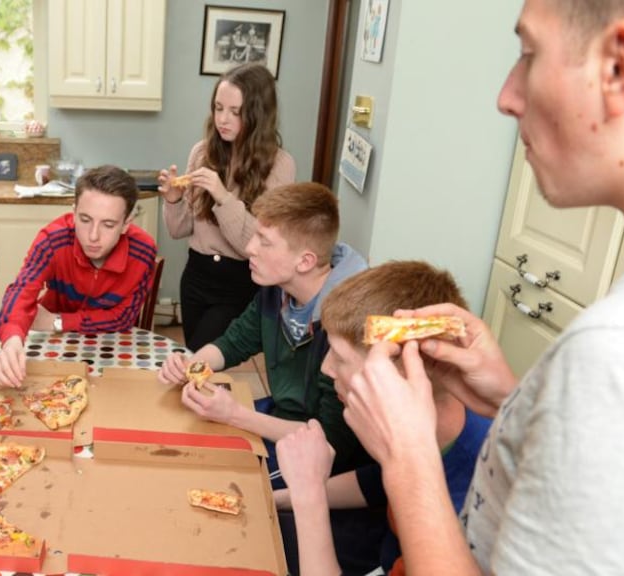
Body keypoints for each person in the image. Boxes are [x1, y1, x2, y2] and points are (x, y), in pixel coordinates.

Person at [338, 1, 624, 573]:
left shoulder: (618, 351)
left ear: (620, 66)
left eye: (528, 54)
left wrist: (407, 458)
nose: (507, 96)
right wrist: (509, 401)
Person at [157, 182, 381, 575]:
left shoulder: (344, 325)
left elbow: (330, 442)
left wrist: (235, 415)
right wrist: (193, 362)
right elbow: (234, 341)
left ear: (305, 261)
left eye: (265, 241)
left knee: (215, 501)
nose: (248, 249)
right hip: (283, 422)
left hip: (328, 461)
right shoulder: (274, 291)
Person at [275, 261, 492, 576]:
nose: (325, 369)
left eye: (340, 357)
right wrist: (281, 498)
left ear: (401, 372)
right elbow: (377, 481)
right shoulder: (448, 424)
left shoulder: (465, 509)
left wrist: (308, 493)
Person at [159, 62, 296, 352]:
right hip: (196, 276)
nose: (223, 119)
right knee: (201, 365)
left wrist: (223, 197)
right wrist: (172, 200)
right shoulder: (201, 152)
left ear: (258, 115)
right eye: (218, 108)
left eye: (235, 112)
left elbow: (255, 244)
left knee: (197, 358)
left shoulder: (280, 166)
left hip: (239, 284)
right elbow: (179, 229)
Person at [0, 165, 158, 387]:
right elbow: (22, 289)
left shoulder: (144, 250)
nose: (93, 236)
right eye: (85, 219)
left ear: (125, 225)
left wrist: (57, 321)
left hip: (107, 344)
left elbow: (123, 317)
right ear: (73, 212)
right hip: (54, 344)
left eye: (108, 224)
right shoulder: (53, 238)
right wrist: (12, 340)